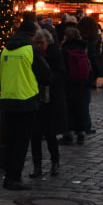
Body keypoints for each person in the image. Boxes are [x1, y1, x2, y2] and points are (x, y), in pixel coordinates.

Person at [0, 19, 49, 190]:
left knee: (10, 141)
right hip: (26, 100)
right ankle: (14, 178)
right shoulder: (30, 49)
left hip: (7, 100)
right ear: (32, 35)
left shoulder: (5, 49)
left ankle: (8, 175)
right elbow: (45, 73)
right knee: (21, 142)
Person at [29, 28, 63, 179]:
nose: (39, 45)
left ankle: (55, 162)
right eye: (36, 43)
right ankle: (37, 166)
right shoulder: (33, 54)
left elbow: (61, 73)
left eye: (41, 42)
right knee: (35, 135)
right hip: (36, 97)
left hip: (50, 99)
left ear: (47, 42)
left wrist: (48, 78)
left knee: (50, 134)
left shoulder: (55, 54)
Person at [60, 26, 92, 143]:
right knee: (80, 108)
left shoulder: (65, 49)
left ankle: (68, 133)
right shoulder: (83, 48)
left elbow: (62, 68)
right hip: (82, 83)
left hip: (69, 83)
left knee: (68, 109)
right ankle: (81, 132)